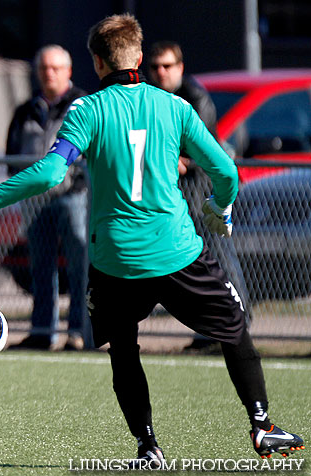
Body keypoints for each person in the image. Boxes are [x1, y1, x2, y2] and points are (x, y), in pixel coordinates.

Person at [0, 14, 304, 462]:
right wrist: (221, 207)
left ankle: (149, 447)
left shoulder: (86, 110)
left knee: (124, 349)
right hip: (178, 251)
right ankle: (261, 427)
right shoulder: (175, 107)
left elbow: (50, 172)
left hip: (114, 259)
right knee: (235, 330)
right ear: (141, 59)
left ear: (96, 63)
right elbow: (225, 171)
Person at [148, 41, 251, 352]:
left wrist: (176, 160)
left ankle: (238, 324)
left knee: (220, 260)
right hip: (176, 197)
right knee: (197, 266)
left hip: (204, 195)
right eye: (155, 67)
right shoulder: (153, 98)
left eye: (167, 66)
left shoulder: (195, 98)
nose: (160, 72)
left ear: (180, 67)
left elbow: (201, 152)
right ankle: (210, 329)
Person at [5, 45, 91, 351]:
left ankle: (80, 332)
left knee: (80, 264)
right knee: (40, 266)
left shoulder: (83, 105)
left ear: (68, 71)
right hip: (35, 199)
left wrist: (78, 184)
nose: (49, 74)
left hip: (72, 196)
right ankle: (42, 332)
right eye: (44, 68)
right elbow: (12, 153)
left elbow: (93, 150)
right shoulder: (27, 109)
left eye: (55, 68)